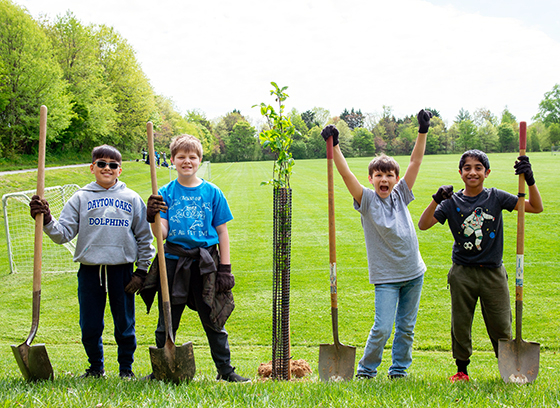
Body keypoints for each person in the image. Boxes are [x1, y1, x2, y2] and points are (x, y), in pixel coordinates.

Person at [321, 109, 431, 379]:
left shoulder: (402, 194)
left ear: (396, 178)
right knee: (382, 327)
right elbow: (347, 176)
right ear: (371, 179)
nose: (384, 179)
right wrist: (334, 146)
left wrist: (423, 130)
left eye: (390, 175)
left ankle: (399, 370)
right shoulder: (367, 201)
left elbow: (415, 161)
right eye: (379, 175)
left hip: (414, 273)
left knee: (406, 327)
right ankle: (366, 370)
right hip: (386, 277)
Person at [29, 145, 155, 379]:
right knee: (90, 324)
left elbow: (145, 238)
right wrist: (46, 219)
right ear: (92, 167)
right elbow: (62, 234)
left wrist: (142, 270)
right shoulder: (80, 198)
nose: (107, 168)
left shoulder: (132, 198)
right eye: (102, 164)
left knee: (125, 324)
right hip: (90, 271)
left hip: (123, 271)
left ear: (120, 170)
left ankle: (126, 369)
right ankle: (95, 367)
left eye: (113, 165)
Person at [418, 150, 543, 382]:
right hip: (462, 273)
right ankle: (461, 370)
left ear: (487, 172)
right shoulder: (451, 201)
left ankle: (509, 367)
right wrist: (436, 198)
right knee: (461, 323)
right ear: (460, 172)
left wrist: (530, 179)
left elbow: (536, 206)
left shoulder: (495, 197)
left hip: (493, 272)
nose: (472, 172)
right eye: (467, 168)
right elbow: (423, 224)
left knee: (501, 323)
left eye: (478, 168)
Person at [137, 134, 249, 382]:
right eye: (181, 157)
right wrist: (152, 216)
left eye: (192, 157)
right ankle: (162, 370)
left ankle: (226, 371)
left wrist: (225, 269)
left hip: (204, 262)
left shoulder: (212, 192)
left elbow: (222, 231)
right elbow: (162, 233)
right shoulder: (165, 193)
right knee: (167, 319)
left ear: (199, 160)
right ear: (173, 161)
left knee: (213, 318)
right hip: (173, 262)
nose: (186, 161)